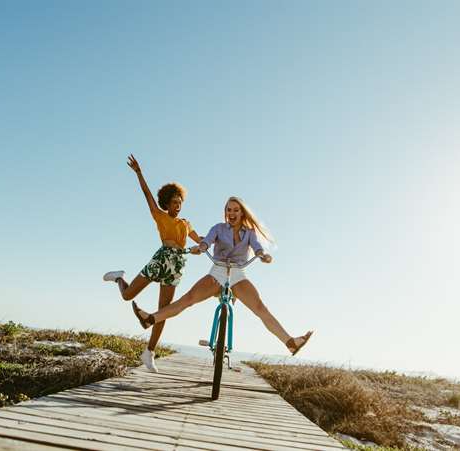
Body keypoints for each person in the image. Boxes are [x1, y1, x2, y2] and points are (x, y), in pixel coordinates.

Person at [131, 196, 313, 356]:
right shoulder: (218, 228)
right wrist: (201, 247)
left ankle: (290, 343)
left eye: (236, 210)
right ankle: (150, 319)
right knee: (188, 299)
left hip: (238, 274)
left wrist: (262, 255)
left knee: (260, 308)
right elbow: (207, 241)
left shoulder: (249, 232)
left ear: (242, 213)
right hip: (217, 272)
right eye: (228, 210)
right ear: (225, 212)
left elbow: (257, 247)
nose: (231, 213)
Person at [103, 155, 203, 371]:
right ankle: (119, 277)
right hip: (161, 259)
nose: (177, 205)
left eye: (180, 202)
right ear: (166, 203)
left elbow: (201, 240)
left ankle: (149, 352)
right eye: (174, 202)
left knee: (164, 311)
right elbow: (146, 194)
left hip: (177, 265)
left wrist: (204, 245)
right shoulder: (159, 216)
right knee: (127, 295)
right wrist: (139, 173)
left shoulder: (186, 223)